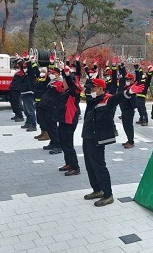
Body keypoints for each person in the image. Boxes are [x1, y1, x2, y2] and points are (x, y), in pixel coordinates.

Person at [82, 78, 144, 206]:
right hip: (87, 136)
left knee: (99, 166)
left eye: (93, 88)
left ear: (100, 88)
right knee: (89, 165)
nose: (90, 90)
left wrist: (130, 91)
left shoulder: (107, 99)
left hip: (97, 137)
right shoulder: (93, 99)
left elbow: (118, 98)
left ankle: (108, 194)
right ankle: (97, 190)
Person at [56, 63, 82, 176]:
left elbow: (71, 83)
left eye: (64, 82)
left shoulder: (73, 92)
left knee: (68, 145)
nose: (63, 83)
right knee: (63, 143)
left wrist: (67, 74)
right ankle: (68, 163)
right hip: (63, 120)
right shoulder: (66, 92)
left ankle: (75, 167)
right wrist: (62, 69)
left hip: (69, 121)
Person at [37, 66, 63, 155]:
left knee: (53, 127)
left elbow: (59, 94)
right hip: (46, 106)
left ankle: (58, 145)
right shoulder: (51, 82)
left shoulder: (59, 82)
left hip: (52, 107)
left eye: (53, 73)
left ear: (58, 74)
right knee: (48, 125)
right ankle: (53, 142)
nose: (51, 74)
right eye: (50, 73)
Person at [119, 64, 138, 149]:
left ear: (132, 80)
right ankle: (128, 139)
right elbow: (123, 76)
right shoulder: (126, 87)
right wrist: (122, 68)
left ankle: (131, 141)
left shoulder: (132, 87)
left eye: (128, 80)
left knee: (128, 125)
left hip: (129, 109)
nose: (127, 81)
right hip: (124, 108)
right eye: (126, 79)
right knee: (125, 125)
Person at [19, 54, 37, 132]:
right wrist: (19, 59)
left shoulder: (31, 74)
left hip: (29, 93)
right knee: (26, 110)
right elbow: (21, 66)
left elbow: (30, 68)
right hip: (24, 93)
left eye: (26, 67)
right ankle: (28, 122)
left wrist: (28, 60)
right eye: (24, 67)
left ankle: (33, 124)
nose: (25, 69)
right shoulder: (24, 74)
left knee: (30, 110)